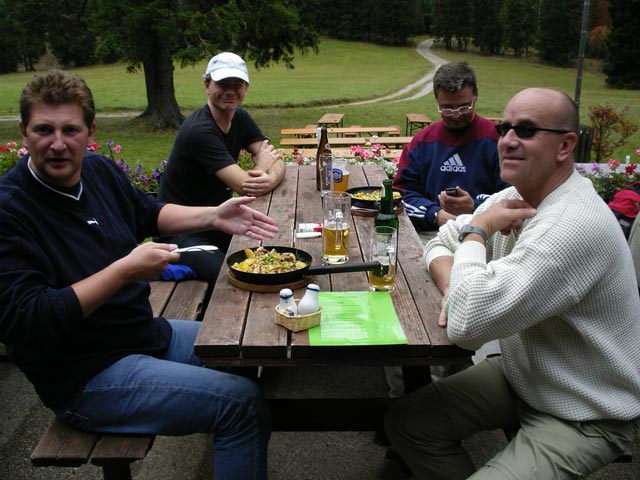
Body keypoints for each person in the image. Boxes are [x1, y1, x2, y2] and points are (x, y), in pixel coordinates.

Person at [0, 70, 279, 479]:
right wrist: (124, 270)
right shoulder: (10, 210)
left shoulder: (96, 170)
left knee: (243, 347)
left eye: (70, 130)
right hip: (86, 375)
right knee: (242, 405)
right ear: (24, 132)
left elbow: (147, 212)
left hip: (139, 333)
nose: (57, 144)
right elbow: (26, 319)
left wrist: (215, 216)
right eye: (44, 130)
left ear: (90, 131)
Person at [384, 87, 640, 479]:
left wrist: (477, 232)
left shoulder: (570, 226)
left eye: (527, 130)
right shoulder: (513, 197)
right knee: (407, 421)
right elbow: (438, 244)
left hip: (587, 409)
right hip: (526, 372)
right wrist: (458, 287)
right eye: (504, 128)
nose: (507, 140)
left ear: (565, 145)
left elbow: (467, 326)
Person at [157, 51, 286, 283]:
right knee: (235, 277)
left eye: (236, 85)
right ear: (207, 85)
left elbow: (277, 159)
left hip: (220, 222)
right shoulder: (199, 130)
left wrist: (268, 175)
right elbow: (245, 185)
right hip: (183, 232)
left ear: (246, 88)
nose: (230, 91)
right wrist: (264, 165)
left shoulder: (240, 118)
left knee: (277, 255)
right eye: (222, 84)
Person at [393, 61, 509, 234]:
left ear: (475, 95)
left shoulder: (497, 140)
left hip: (487, 234)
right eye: (446, 108)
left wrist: (474, 207)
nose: (455, 115)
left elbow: (512, 198)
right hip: (432, 232)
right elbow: (401, 194)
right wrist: (436, 214)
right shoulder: (423, 141)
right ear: (436, 99)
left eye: (464, 107)